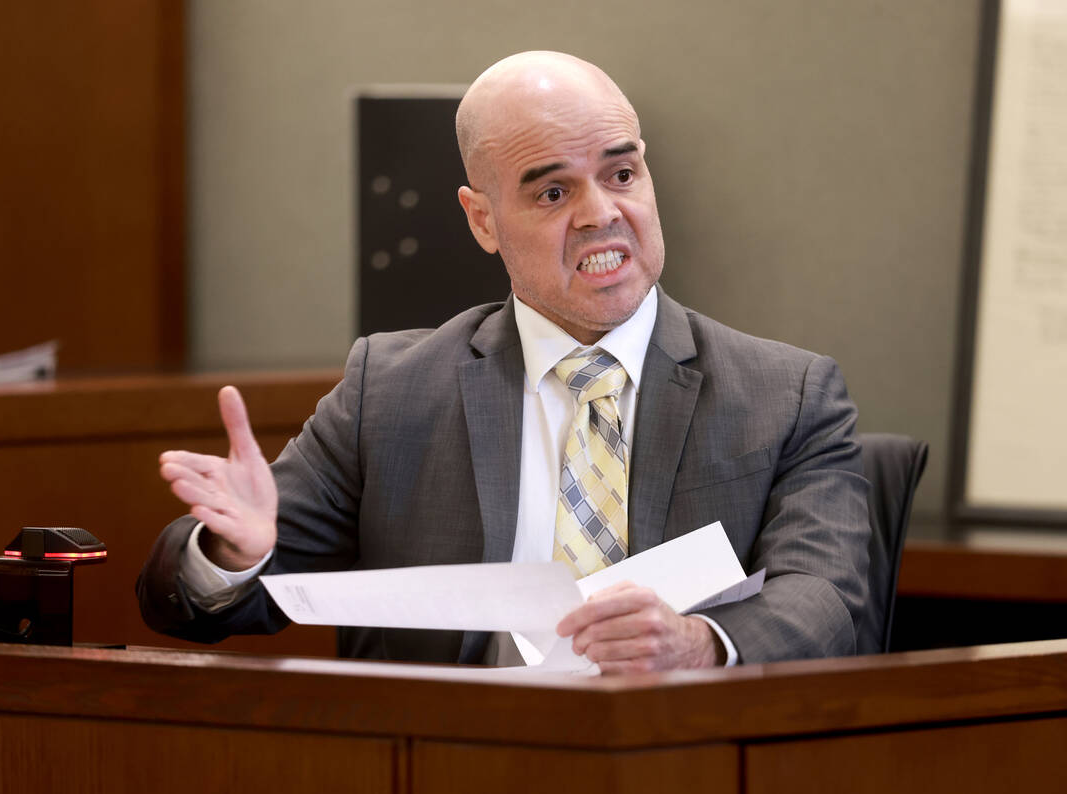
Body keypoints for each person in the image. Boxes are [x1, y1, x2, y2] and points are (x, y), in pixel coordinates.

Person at [137, 51, 870, 672]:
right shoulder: (390, 393)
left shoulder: (788, 395)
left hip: (678, 775)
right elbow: (201, 604)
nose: (599, 214)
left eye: (621, 175)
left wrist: (699, 644)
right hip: (438, 778)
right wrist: (235, 551)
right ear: (483, 219)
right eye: (554, 191)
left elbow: (828, 595)